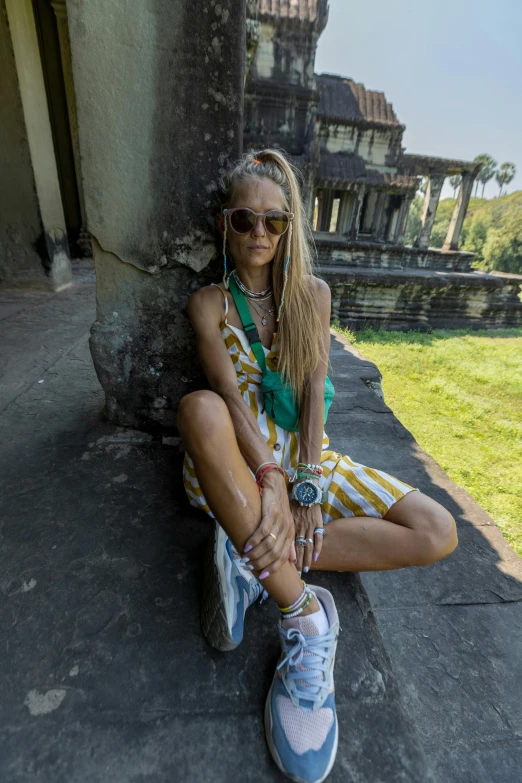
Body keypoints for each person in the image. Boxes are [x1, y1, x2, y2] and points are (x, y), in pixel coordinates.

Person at [178, 148, 458, 783]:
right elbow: (230, 403)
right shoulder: (210, 305)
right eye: (245, 219)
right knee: (197, 409)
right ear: (225, 223)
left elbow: (312, 399)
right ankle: (301, 610)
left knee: (438, 530)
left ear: (290, 228)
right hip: (239, 463)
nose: (259, 234)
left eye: (274, 222)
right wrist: (272, 482)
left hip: (306, 457)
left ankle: (253, 565)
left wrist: (304, 482)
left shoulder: (312, 296)